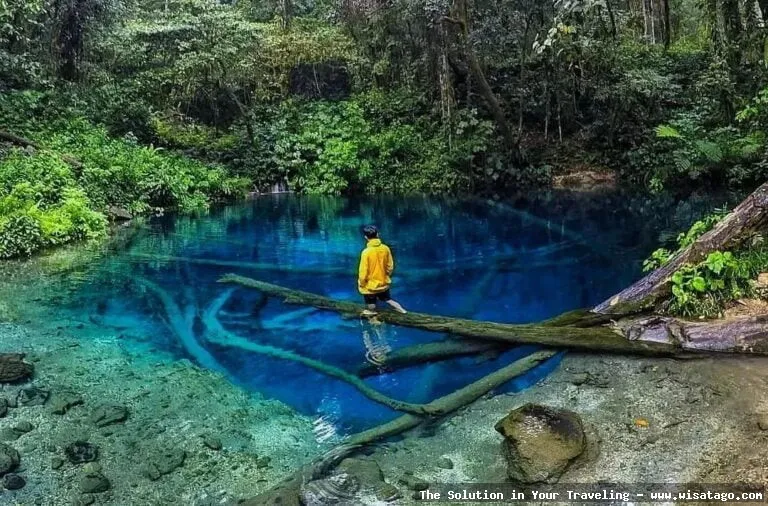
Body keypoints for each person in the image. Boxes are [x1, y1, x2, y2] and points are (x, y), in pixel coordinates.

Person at [358, 225, 407, 315]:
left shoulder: (366, 252)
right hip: (383, 283)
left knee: (371, 304)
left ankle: (372, 314)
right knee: (387, 299)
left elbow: (363, 272)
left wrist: (362, 284)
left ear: (365, 237)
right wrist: (386, 276)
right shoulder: (385, 248)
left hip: (370, 287)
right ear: (377, 234)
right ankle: (402, 310)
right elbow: (390, 266)